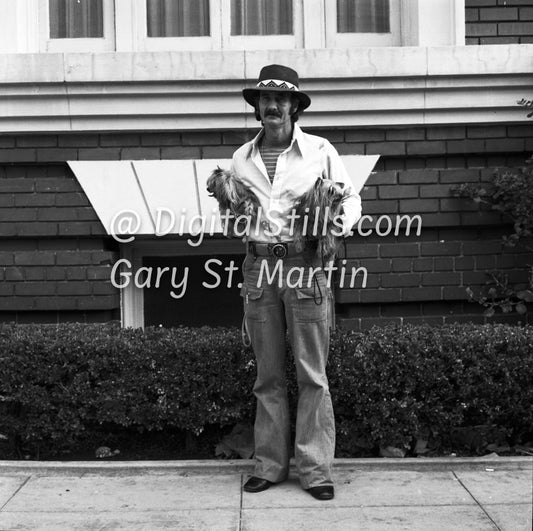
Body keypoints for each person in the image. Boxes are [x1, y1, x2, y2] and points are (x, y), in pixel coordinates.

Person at [231, 64, 362, 501]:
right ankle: (269, 466)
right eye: (264, 99)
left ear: (294, 106)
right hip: (258, 268)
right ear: (256, 109)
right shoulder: (240, 159)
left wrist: (332, 226)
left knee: (312, 374)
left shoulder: (320, 150)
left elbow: (350, 197)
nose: (272, 106)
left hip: (305, 265)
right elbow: (239, 211)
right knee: (267, 376)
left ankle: (315, 469)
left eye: (281, 99)